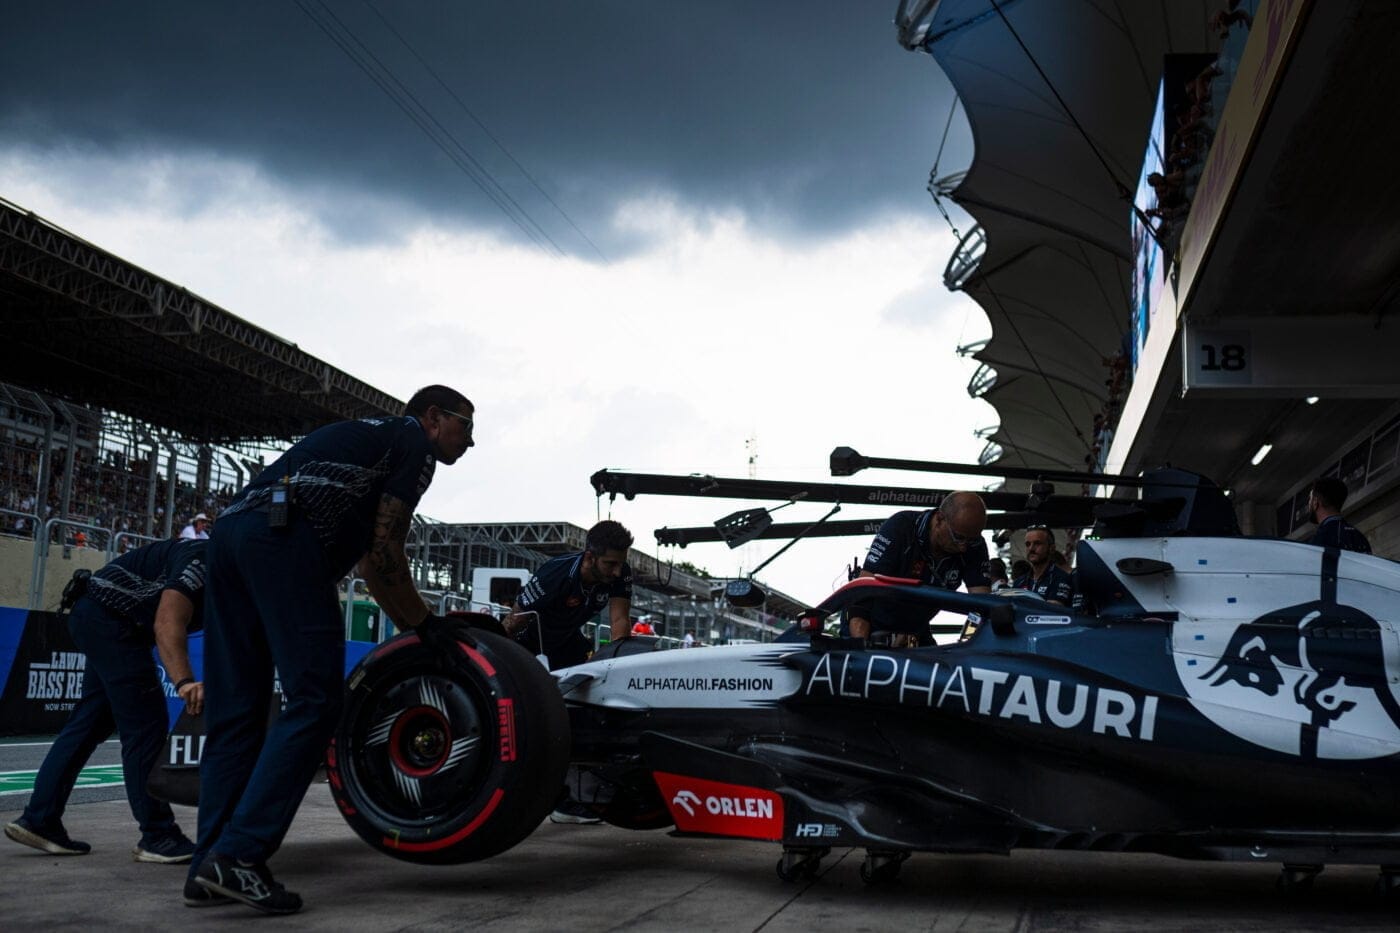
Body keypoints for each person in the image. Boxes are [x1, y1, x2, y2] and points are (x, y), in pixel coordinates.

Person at [187, 385, 475, 914]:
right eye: (466, 426)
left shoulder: (367, 436)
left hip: (229, 538)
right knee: (317, 699)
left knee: (235, 712)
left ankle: (208, 867)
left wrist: (413, 620)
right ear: (434, 418)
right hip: (284, 541)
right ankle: (241, 854)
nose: (471, 442)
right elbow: (381, 555)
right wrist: (424, 626)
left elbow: (371, 560)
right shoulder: (412, 445)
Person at [4, 538, 207, 864]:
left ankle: (39, 818)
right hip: (110, 621)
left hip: (100, 617)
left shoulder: (229, 571)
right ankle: (158, 835)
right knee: (146, 727)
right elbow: (168, 622)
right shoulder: (204, 559)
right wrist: (183, 681)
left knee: (91, 723)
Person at [506, 519, 633, 824]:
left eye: (620, 564)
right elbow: (513, 623)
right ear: (590, 557)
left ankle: (571, 796)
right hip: (529, 646)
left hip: (567, 644)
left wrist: (623, 668)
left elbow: (619, 623)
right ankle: (548, 796)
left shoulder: (620, 573)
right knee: (541, 722)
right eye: (610, 563)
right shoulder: (556, 573)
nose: (617, 571)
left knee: (580, 715)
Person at [847, 491, 990, 645]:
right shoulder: (901, 527)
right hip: (868, 626)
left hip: (914, 630)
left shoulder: (974, 546)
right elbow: (863, 593)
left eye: (971, 540)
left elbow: (982, 607)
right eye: (958, 538)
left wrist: (968, 643)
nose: (963, 547)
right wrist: (861, 645)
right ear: (939, 519)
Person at [1013, 526, 1075, 607]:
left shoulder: (1061, 578)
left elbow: (1052, 611)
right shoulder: (1019, 582)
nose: (1031, 548)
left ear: (1052, 548)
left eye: (1037, 543)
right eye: (1028, 544)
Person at [1307, 476, 1372, 554]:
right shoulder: (1360, 537)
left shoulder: (1318, 540)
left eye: (1310, 499)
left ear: (1315, 502)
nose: (1309, 504)